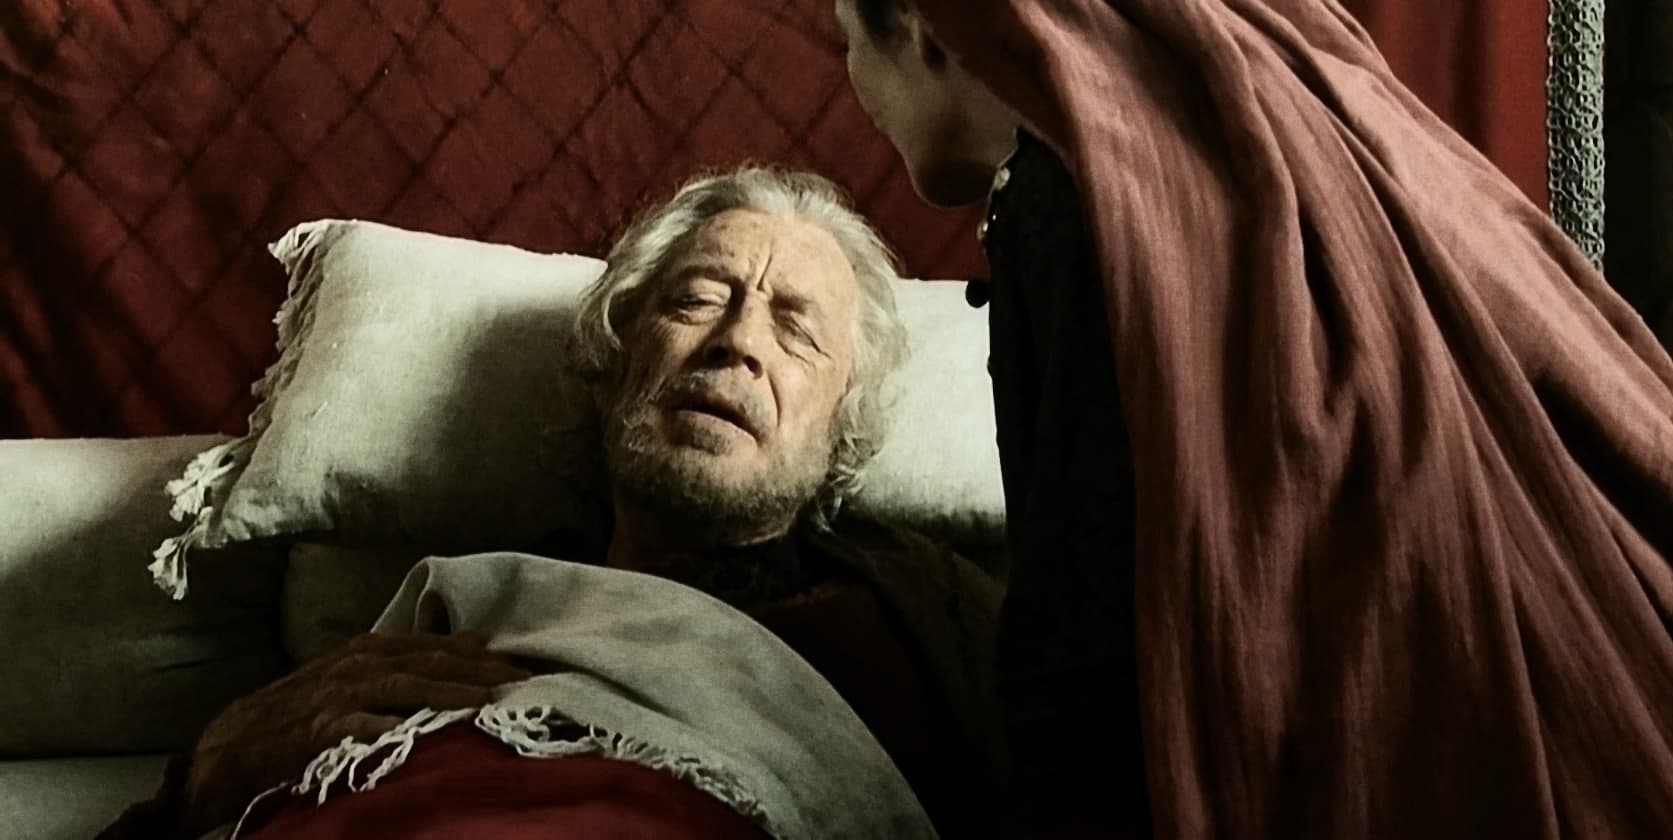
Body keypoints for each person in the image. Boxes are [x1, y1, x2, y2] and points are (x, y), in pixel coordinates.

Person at [812, 0, 1673, 837]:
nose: (854, 84)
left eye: (845, 38)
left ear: (920, 19)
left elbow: (1091, 658)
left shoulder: (1078, 202)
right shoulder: (1294, 132)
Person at [101, 167, 1007, 839]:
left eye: (797, 332)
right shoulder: (475, 607)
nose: (737, 342)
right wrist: (209, 770)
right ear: (615, 362)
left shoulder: (921, 606)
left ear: (841, 425)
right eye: (697, 300)